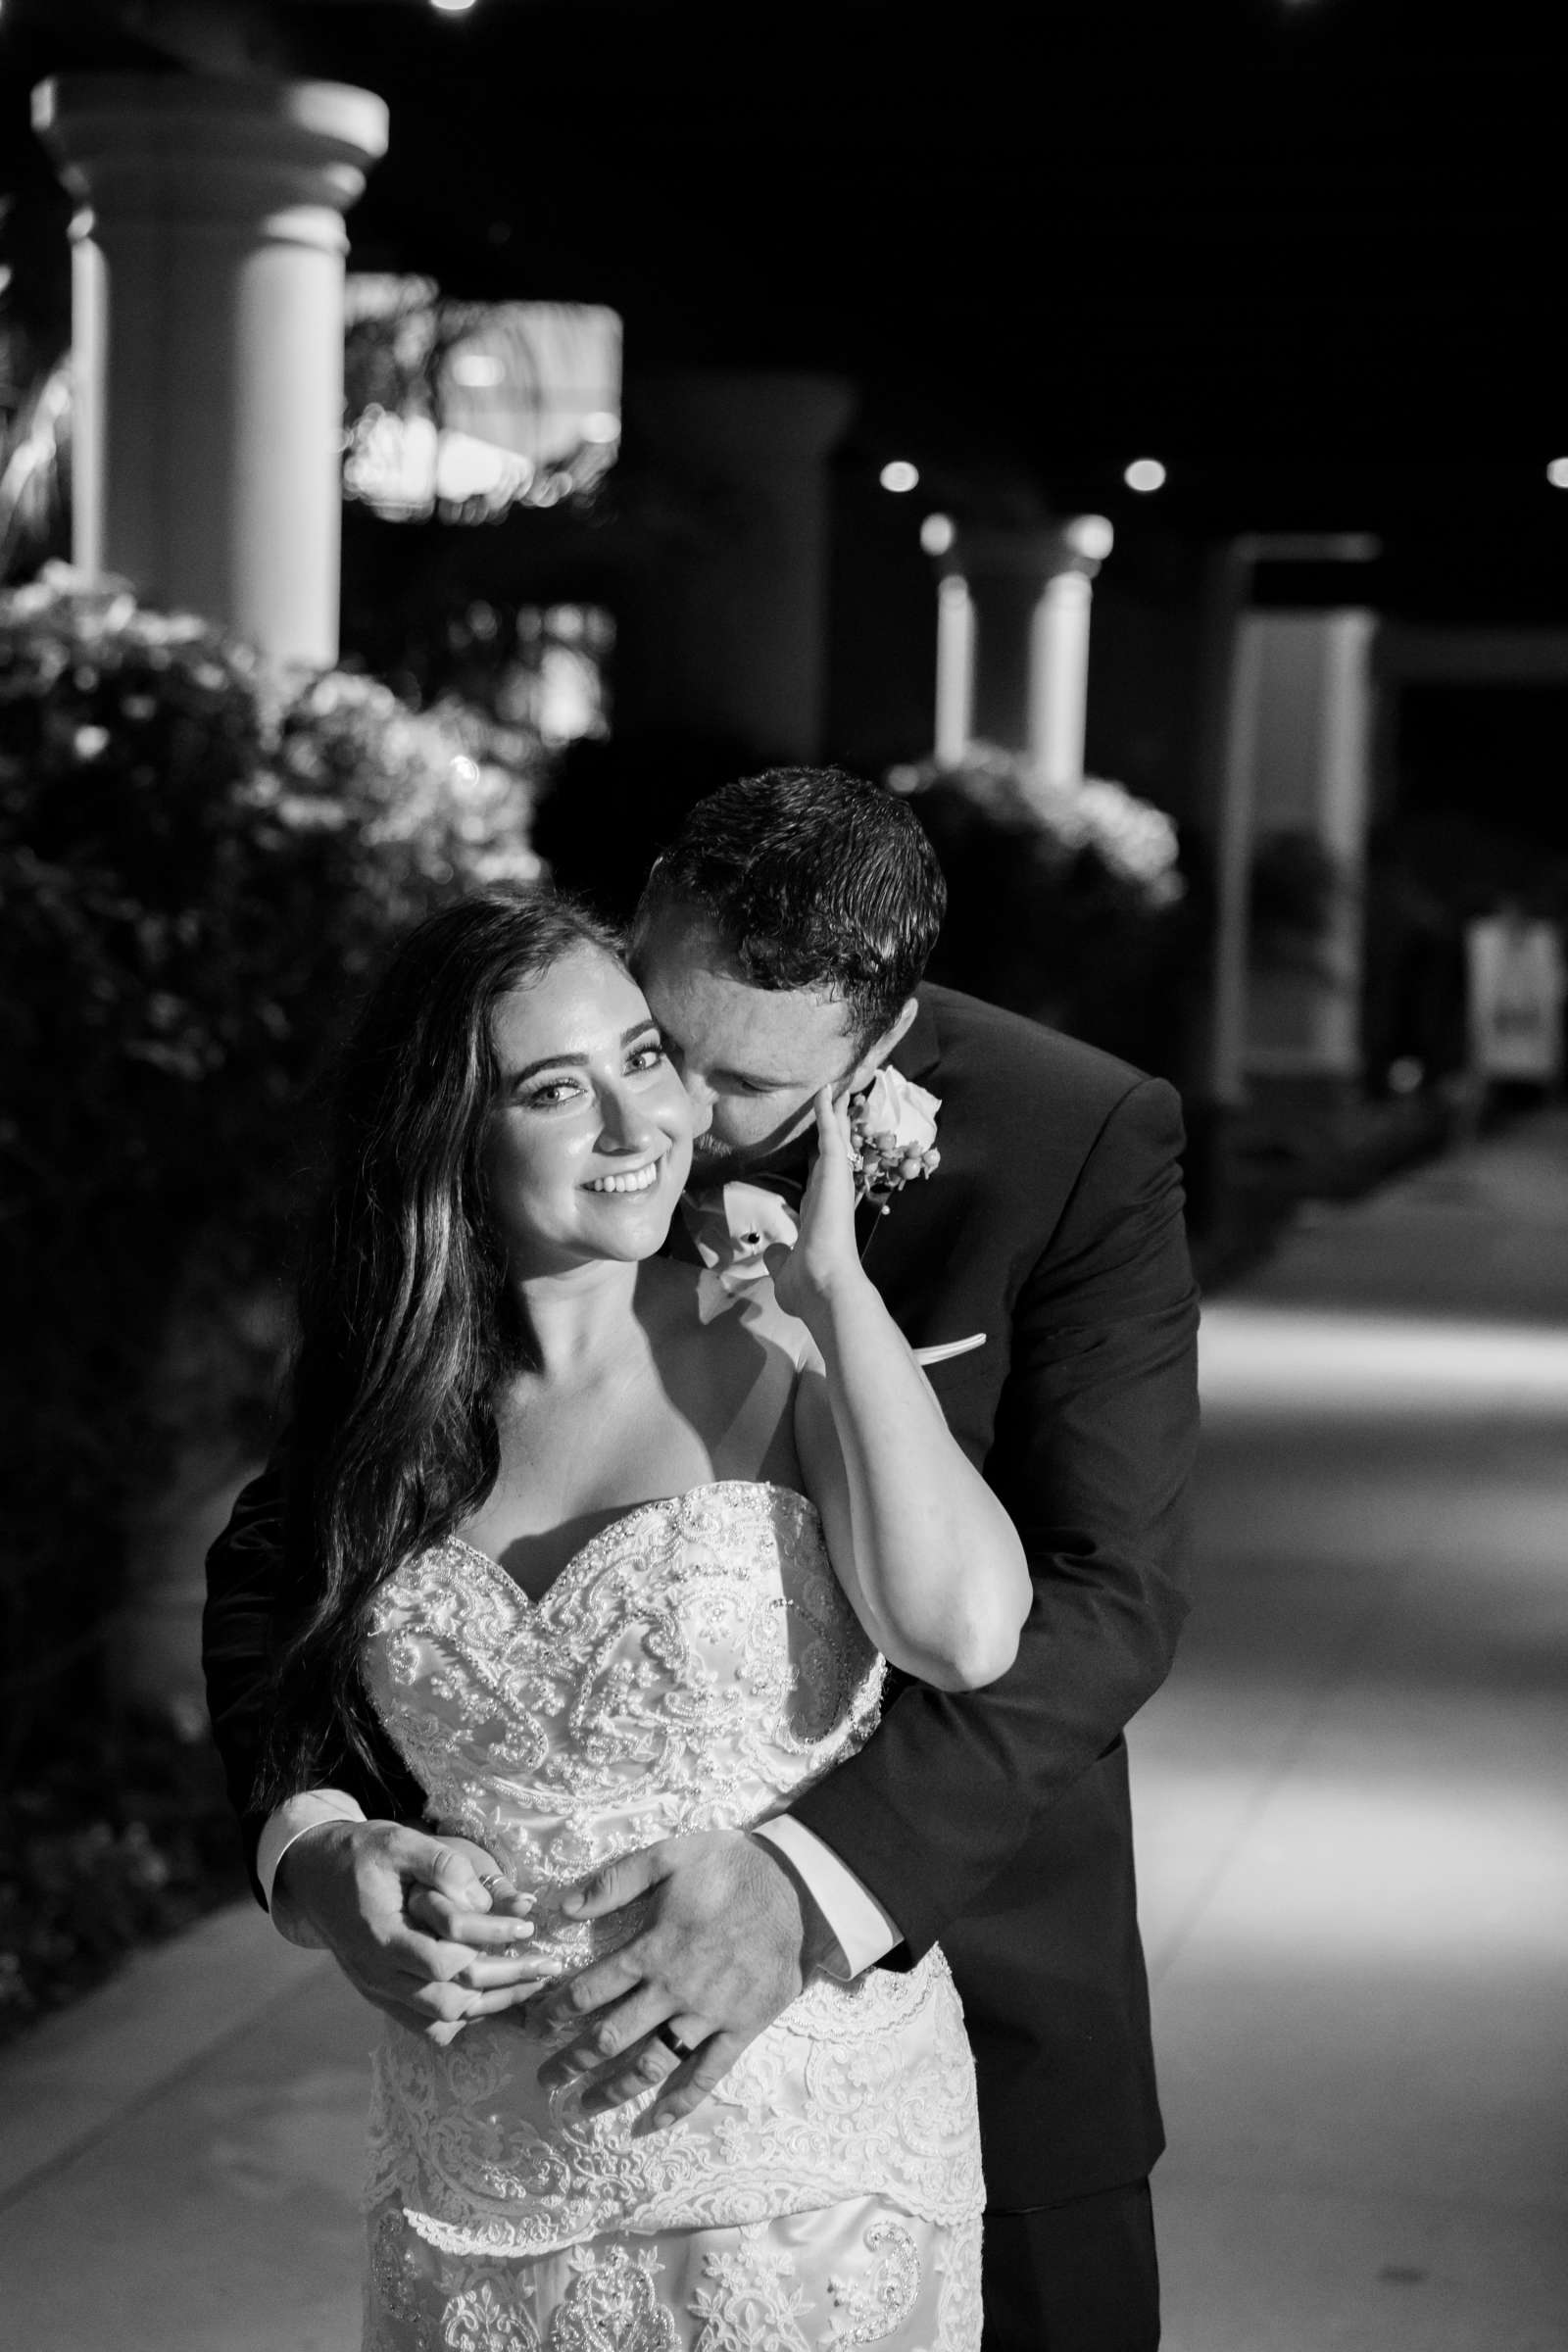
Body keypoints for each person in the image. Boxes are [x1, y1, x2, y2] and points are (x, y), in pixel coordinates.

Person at [206, 767, 1200, 2350]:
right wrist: (318, 1839)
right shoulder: (517, 1129)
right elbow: (284, 1557)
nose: (670, 1121)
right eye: (657, 1041)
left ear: (874, 1041)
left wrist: (815, 1888)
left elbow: (1103, 1595)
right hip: (499, 2159)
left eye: (729, 1084)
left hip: (926, 1997)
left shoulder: (1074, 1140)